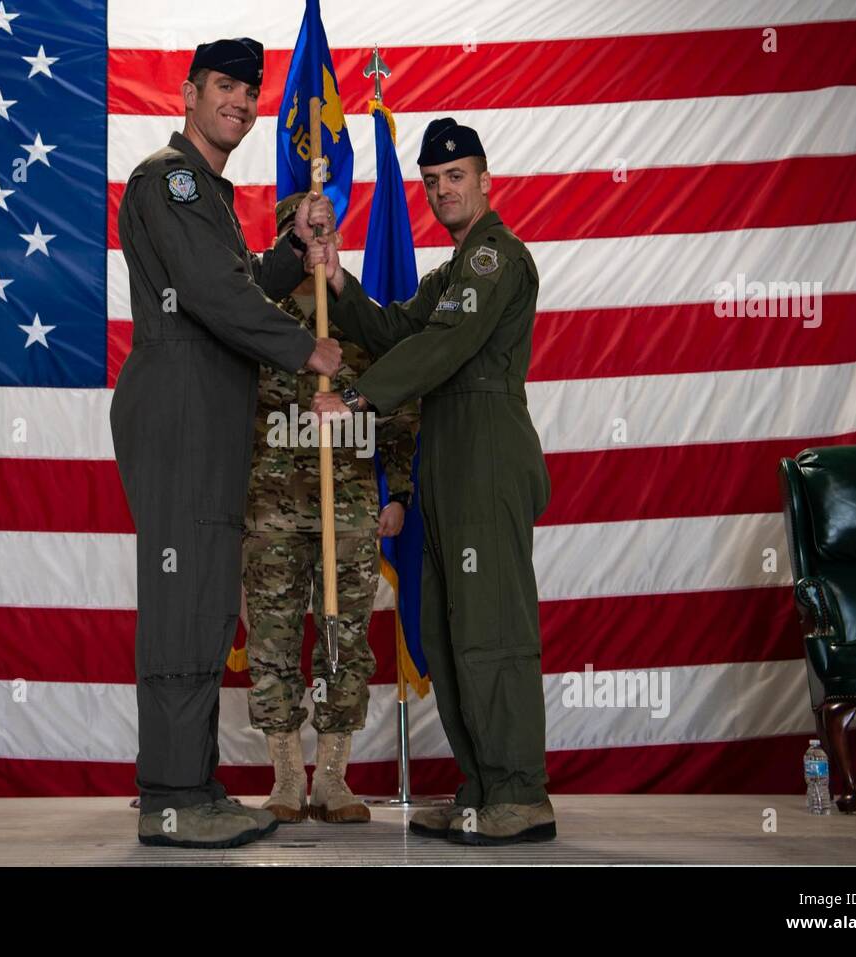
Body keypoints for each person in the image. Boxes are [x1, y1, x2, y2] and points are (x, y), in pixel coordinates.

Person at [112, 37, 342, 849]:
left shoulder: (208, 192)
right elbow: (212, 294)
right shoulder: (168, 181)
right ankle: (171, 797)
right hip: (179, 414)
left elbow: (234, 274)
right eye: (224, 87)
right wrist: (302, 346)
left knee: (207, 604)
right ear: (188, 93)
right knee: (184, 604)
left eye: (250, 91)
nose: (240, 102)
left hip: (203, 417)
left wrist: (293, 250)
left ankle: (193, 783)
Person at [311, 118, 556, 845]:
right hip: (446, 455)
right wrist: (339, 284)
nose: (443, 189)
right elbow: (395, 330)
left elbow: (445, 344)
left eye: (456, 176)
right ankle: (483, 788)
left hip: (485, 452)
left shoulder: (495, 259)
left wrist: (358, 399)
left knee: (493, 628)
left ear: (485, 180)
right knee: (449, 629)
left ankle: (520, 791)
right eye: (431, 180)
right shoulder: (450, 274)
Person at [244, 193, 419, 824]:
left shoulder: (360, 316)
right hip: (270, 511)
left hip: (348, 511)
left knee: (344, 642)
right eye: (309, 231)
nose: (322, 241)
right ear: (291, 236)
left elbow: (399, 408)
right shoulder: (256, 316)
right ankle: (288, 776)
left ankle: (333, 780)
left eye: (329, 230)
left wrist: (397, 493)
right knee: (272, 642)